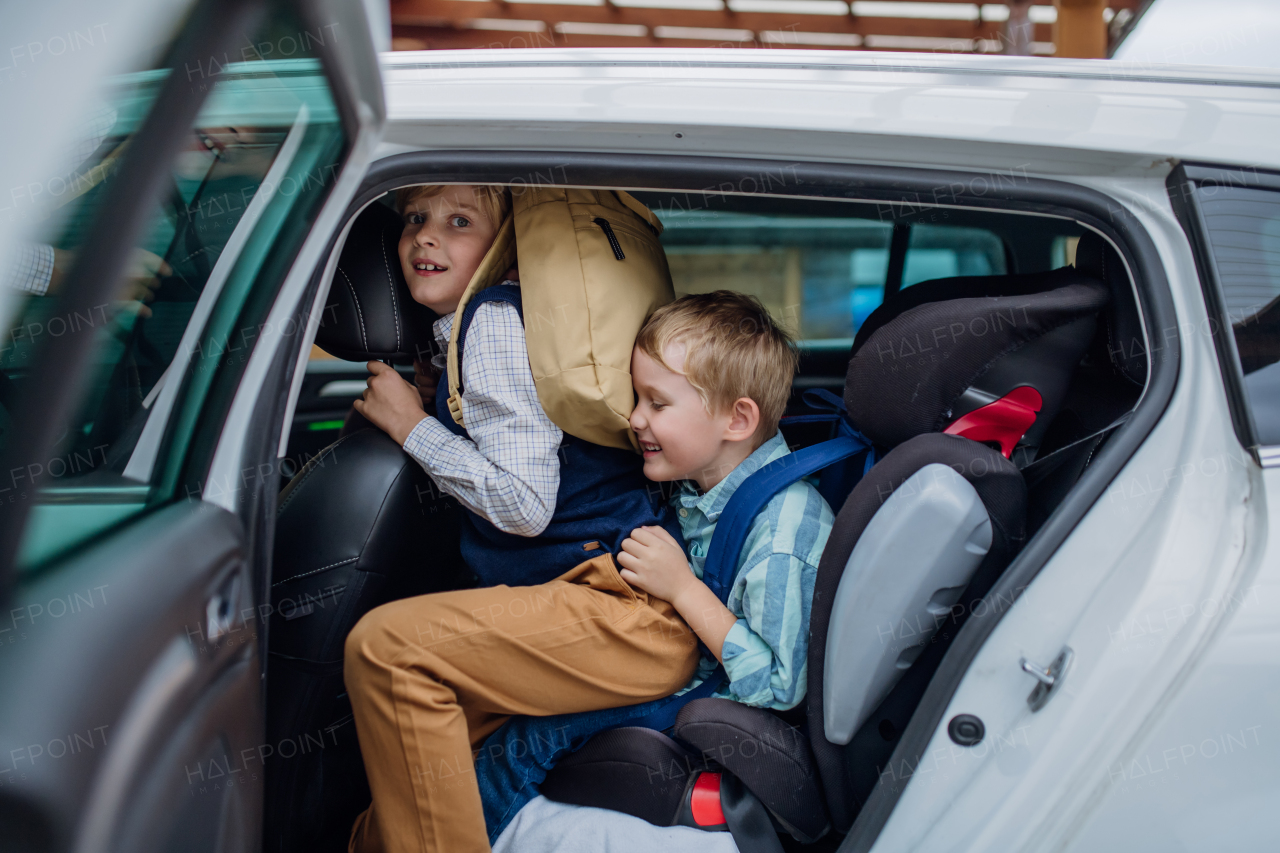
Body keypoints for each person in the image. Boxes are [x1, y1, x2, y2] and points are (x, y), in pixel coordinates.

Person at [345, 183, 699, 853]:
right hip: (592, 604)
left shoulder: (495, 322)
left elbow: (524, 504)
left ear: (503, 243)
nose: (425, 235)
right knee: (381, 827)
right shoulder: (475, 331)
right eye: (415, 218)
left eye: (458, 221)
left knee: (387, 650)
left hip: (620, 611)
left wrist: (410, 425)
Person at [474, 291, 836, 844]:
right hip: (672, 658)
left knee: (525, 741)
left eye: (657, 403)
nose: (634, 418)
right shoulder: (699, 480)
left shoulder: (782, 530)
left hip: (714, 698)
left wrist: (684, 589)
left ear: (737, 419)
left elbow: (780, 687)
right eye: (634, 396)